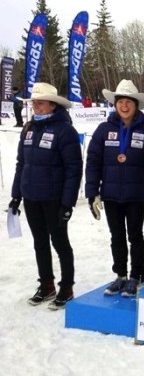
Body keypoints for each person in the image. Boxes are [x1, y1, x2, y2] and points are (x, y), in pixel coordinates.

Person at [85, 80, 144, 297]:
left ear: (136, 105)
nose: (124, 106)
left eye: (128, 102)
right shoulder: (103, 130)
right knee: (117, 236)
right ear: (115, 104)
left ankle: (136, 276)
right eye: (120, 102)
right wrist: (92, 192)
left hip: (136, 194)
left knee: (135, 236)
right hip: (111, 194)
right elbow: (93, 162)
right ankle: (120, 275)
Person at [9, 82, 82, 310]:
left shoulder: (65, 130)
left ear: (53, 105)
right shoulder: (29, 128)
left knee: (60, 243)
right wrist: (16, 195)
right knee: (40, 243)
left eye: (40, 102)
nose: (36, 106)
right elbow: (22, 163)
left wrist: (67, 203)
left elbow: (74, 169)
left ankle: (67, 287)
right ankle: (47, 284)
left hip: (54, 198)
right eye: (34, 103)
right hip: (32, 196)